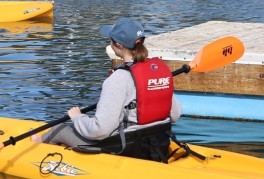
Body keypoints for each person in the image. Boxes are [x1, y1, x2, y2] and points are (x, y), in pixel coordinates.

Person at [35, 17, 182, 162]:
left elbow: (100, 130)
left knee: (58, 130)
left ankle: (33, 148)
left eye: (110, 39)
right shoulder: (160, 70)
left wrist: (77, 117)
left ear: (118, 44)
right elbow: (175, 115)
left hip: (127, 147)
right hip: (158, 140)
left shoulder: (118, 78)